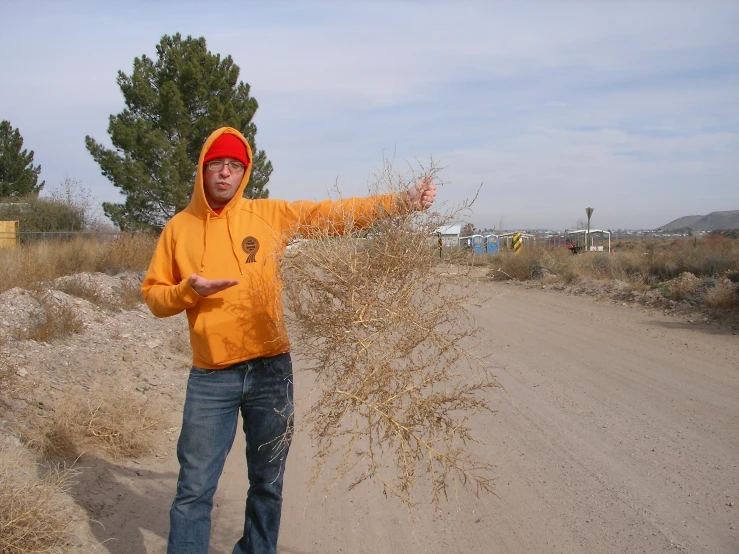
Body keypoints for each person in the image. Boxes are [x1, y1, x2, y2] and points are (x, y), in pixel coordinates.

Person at [142, 127, 436, 554]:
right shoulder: (178, 229)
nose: (224, 173)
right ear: (202, 169)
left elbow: (332, 215)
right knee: (194, 488)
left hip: (269, 372)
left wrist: (400, 203)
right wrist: (190, 290)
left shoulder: (267, 215)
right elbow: (153, 296)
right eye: (216, 164)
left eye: (234, 166)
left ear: (244, 173)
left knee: (267, 482)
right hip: (211, 380)